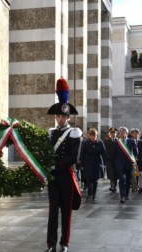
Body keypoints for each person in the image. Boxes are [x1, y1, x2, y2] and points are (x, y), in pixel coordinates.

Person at [45, 78, 82, 252]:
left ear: (68, 117)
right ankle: (51, 244)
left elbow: (73, 157)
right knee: (53, 210)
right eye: (58, 116)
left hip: (66, 175)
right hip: (53, 177)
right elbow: (45, 152)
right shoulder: (51, 133)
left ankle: (64, 243)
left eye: (63, 116)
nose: (60, 119)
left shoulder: (74, 133)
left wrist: (57, 165)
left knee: (66, 211)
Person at [80, 128, 107, 202]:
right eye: (91, 135)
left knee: (95, 180)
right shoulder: (85, 143)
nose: (92, 137)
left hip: (97, 163)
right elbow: (82, 154)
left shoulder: (100, 143)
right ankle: (89, 194)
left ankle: (94, 195)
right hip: (88, 163)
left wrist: (105, 163)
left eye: (94, 135)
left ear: (96, 135)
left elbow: (104, 153)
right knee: (89, 180)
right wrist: (82, 164)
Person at [113, 127, 137, 203]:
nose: (121, 133)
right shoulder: (117, 142)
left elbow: (136, 152)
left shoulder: (131, 141)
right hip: (120, 165)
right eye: (120, 132)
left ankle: (126, 194)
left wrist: (134, 159)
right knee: (122, 180)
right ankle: (122, 196)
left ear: (126, 133)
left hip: (129, 164)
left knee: (127, 180)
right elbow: (114, 154)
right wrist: (115, 163)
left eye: (122, 132)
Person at [130, 128, 142, 193]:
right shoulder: (130, 141)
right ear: (132, 134)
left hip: (139, 160)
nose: (135, 134)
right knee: (134, 174)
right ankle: (134, 186)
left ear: (139, 134)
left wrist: (138, 157)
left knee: (141, 173)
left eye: (137, 133)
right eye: (134, 133)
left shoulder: (141, 142)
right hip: (132, 160)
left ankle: (141, 186)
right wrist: (133, 158)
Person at [104, 127, 118, 193]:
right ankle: (112, 185)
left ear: (116, 133)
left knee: (115, 174)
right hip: (109, 160)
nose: (113, 134)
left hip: (116, 160)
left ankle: (114, 186)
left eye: (114, 133)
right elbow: (105, 151)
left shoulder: (118, 141)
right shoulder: (106, 141)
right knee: (111, 174)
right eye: (112, 133)